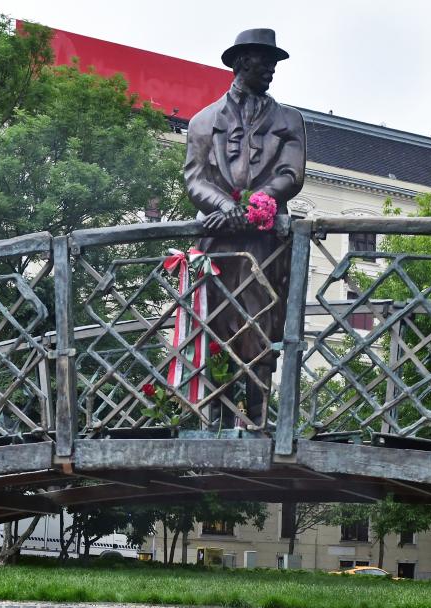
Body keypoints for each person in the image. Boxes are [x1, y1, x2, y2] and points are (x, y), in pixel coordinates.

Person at [182, 28, 306, 428]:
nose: (271, 69)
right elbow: (195, 179)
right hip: (218, 240)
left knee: (262, 318)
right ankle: (217, 415)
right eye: (263, 61)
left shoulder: (288, 121)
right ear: (240, 63)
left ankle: (258, 416)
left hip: (264, 241)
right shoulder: (203, 122)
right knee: (215, 321)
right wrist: (225, 206)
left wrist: (256, 204)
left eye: (274, 62)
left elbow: (292, 173)